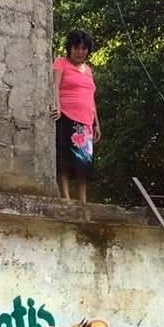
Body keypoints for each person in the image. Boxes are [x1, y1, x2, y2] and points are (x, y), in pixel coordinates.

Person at [51, 29, 101, 203]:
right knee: (65, 161)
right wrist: (56, 106)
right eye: (77, 48)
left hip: (86, 121)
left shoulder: (88, 70)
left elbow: (91, 97)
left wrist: (96, 124)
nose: (80, 52)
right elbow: (54, 86)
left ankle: (83, 201)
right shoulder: (61, 63)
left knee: (84, 164)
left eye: (84, 48)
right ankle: (65, 198)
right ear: (70, 48)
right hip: (66, 116)